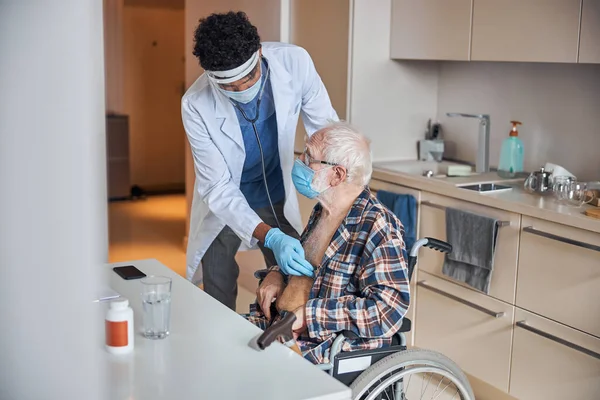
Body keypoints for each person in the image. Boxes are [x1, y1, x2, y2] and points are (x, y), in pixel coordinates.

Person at [181, 11, 338, 310]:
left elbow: (326, 131)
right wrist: (271, 237)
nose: (242, 90)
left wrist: (325, 174)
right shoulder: (195, 104)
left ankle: (280, 345)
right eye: (228, 86)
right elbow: (216, 187)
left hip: (275, 189)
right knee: (217, 283)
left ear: (260, 52)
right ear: (211, 77)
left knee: (294, 278)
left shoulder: (294, 63)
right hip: (229, 199)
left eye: (249, 78)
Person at [244, 122, 411, 364]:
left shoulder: (377, 225)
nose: (300, 161)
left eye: (308, 156)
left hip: (322, 347)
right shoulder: (324, 211)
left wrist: (308, 317)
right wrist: (276, 275)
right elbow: (309, 269)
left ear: (337, 175)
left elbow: (387, 310)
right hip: (280, 326)